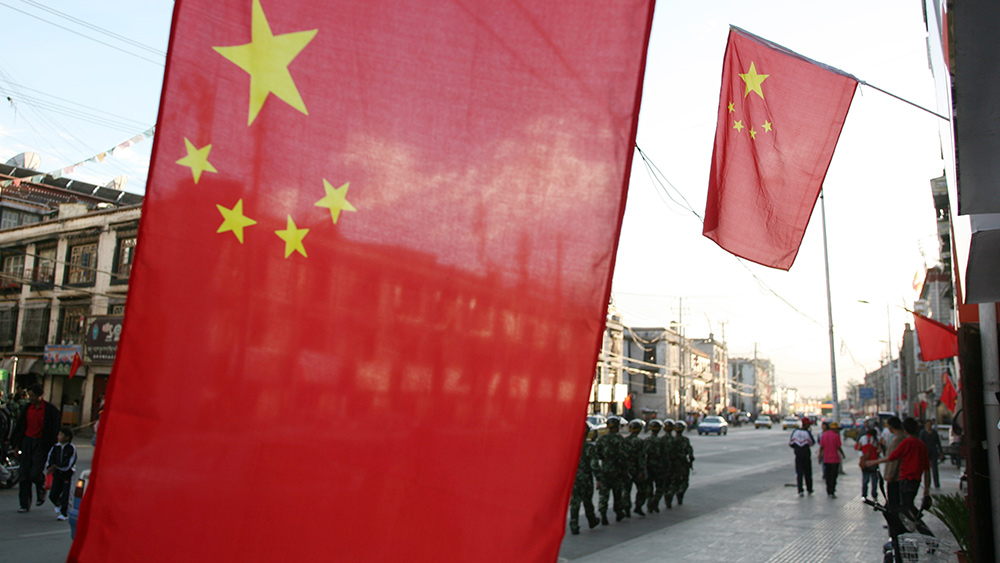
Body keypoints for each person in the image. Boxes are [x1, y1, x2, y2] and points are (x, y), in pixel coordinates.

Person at [867, 417, 930, 521]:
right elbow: (927, 468)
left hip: (905, 479)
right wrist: (927, 487)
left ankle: (916, 521)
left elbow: (892, 457)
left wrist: (873, 462)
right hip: (916, 480)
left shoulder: (905, 442)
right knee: (908, 503)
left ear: (905, 429)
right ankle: (914, 521)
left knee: (904, 505)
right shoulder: (921, 444)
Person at [11, 384, 60, 513]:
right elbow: (20, 427)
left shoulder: (50, 410)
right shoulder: (27, 409)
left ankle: (41, 488)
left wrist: (53, 448)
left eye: (33, 396)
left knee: (35, 473)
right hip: (27, 442)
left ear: (40, 396)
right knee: (24, 475)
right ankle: (24, 504)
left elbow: (54, 430)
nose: (31, 398)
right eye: (30, 396)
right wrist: (16, 445)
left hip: (41, 443)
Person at [568, 424, 600, 535]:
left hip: (574, 477)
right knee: (587, 500)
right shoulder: (589, 448)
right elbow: (594, 465)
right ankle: (591, 520)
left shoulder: (571, 447)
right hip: (586, 477)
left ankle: (574, 524)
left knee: (575, 501)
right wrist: (598, 478)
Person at [596, 415, 628, 524]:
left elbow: (598, 453)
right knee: (617, 493)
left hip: (605, 468)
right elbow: (624, 455)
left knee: (604, 493)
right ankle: (618, 512)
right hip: (617, 469)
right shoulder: (620, 439)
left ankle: (603, 513)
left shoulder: (602, 439)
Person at [46, 427, 77, 521]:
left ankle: (65, 513)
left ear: (67, 437)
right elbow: (50, 458)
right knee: (53, 494)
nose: (58, 437)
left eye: (61, 435)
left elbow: (69, 463)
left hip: (67, 474)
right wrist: (50, 467)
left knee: (66, 494)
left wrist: (58, 466)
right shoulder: (55, 447)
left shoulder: (71, 448)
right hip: (57, 474)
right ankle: (59, 504)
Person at [622, 419, 648, 516]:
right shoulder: (639, 442)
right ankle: (638, 506)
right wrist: (642, 470)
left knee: (626, 490)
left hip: (626, 469)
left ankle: (626, 508)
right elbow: (641, 457)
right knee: (642, 489)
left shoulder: (624, 441)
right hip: (636, 469)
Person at [880, 416, 905, 510]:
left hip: (895, 477)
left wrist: (890, 474)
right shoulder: (896, 437)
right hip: (896, 476)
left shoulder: (898, 439)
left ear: (890, 426)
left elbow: (894, 459)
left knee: (894, 501)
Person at [644, 419, 669, 513]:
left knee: (649, 486)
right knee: (660, 487)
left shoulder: (646, 440)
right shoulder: (661, 441)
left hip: (649, 465)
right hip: (659, 465)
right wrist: (667, 468)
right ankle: (655, 502)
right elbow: (665, 456)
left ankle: (650, 502)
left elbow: (642, 454)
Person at [818, 421, 846, 497]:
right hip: (835, 459)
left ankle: (828, 490)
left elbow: (821, 447)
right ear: (834, 429)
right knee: (833, 476)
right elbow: (839, 447)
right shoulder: (836, 436)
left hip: (826, 459)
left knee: (828, 475)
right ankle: (832, 490)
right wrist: (843, 454)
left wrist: (820, 457)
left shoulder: (824, 435)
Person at [789, 417, 815, 496]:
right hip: (806, 455)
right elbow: (812, 443)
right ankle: (809, 488)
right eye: (808, 424)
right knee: (808, 473)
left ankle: (800, 490)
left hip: (798, 455)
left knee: (799, 473)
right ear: (805, 424)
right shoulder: (807, 433)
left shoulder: (795, 432)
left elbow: (791, 443)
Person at [670, 421, 694, 505]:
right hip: (683, 462)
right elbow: (690, 452)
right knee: (684, 481)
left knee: (674, 480)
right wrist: (691, 461)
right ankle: (680, 492)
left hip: (672, 463)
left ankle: (670, 493)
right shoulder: (685, 440)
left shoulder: (671, 440)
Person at [856, 427, 881, 501]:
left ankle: (864, 495)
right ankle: (874, 495)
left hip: (865, 462)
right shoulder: (876, 440)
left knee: (865, 479)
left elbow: (859, 448)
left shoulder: (862, 438)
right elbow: (879, 450)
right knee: (874, 480)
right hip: (874, 462)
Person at [918, 420, 942, 489]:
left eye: (930, 424)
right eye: (927, 424)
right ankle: (927, 483)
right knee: (926, 468)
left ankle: (936, 483)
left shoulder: (934, 433)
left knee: (935, 467)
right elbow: (920, 442)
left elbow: (938, 442)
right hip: (926, 451)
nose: (929, 426)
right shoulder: (923, 432)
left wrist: (941, 451)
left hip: (933, 451)